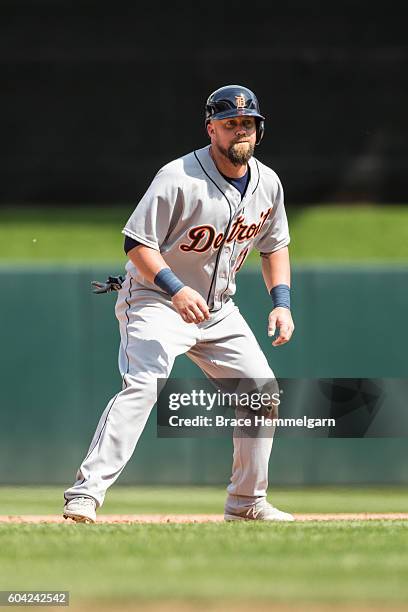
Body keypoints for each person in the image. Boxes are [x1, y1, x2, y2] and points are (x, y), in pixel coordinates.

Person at [63, 84, 295, 523]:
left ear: (259, 132)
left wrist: (281, 302)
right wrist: (175, 288)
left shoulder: (269, 183)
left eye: (248, 124)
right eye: (230, 124)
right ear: (212, 129)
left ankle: (246, 504)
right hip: (156, 299)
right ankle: (85, 494)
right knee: (145, 385)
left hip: (220, 310)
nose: (240, 131)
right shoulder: (179, 176)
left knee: (261, 392)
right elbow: (136, 243)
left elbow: (275, 246)